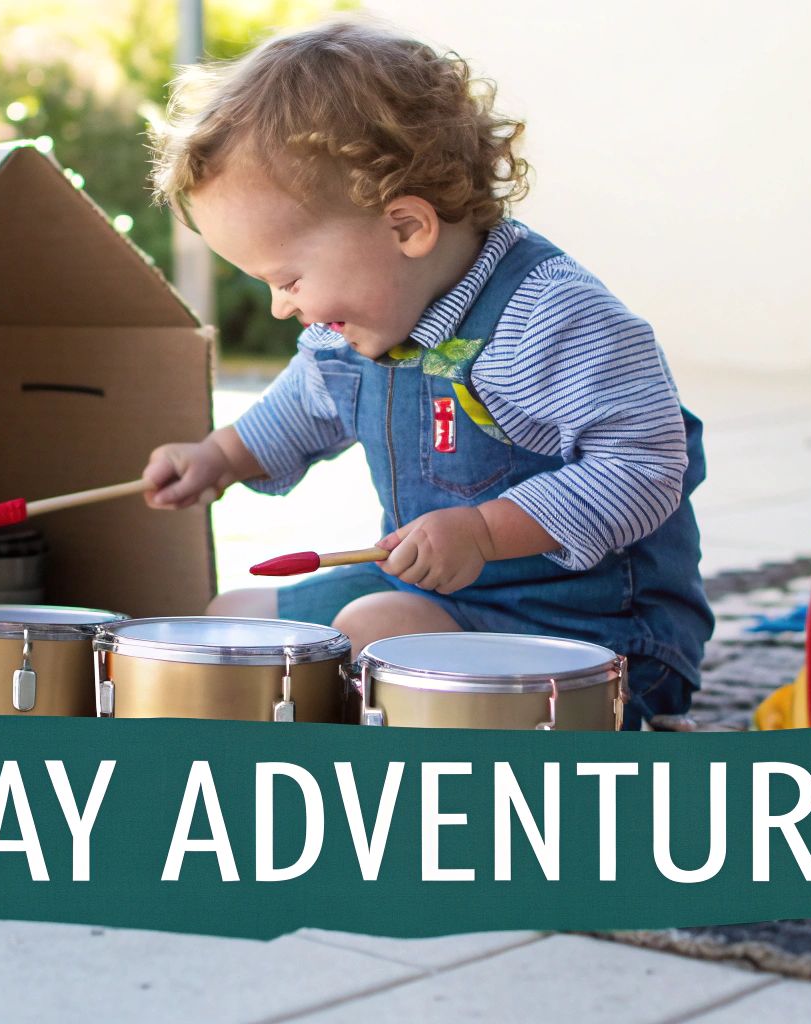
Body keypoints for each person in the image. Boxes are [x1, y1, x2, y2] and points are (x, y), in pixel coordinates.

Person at [139, 17, 712, 730]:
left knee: (374, 631)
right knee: (236, 625)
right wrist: (217, 457)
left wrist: (484, 532)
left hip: (594, 633)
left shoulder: (548, 314)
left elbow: (645, 464)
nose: (282, 307)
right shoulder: (348, 327)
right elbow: (303, 407)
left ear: (406, 228)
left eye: (287, 278)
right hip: (438, 601)